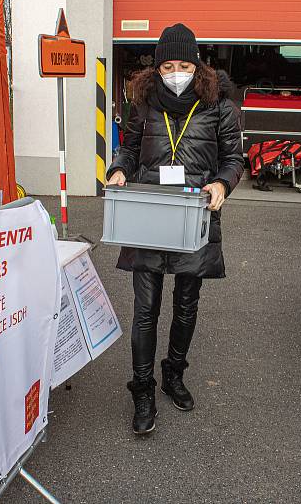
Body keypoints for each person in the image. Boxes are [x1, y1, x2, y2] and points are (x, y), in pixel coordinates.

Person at [106, 23, 244, 435]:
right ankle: (143, 389)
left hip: (194, 214)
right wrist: (118, 170)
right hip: (149, 213)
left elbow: (233, 159)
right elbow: (130, 148)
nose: (176, 71)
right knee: (145, 310)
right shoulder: (144, 101)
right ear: (157, 66)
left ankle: (174, 372)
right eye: (168, 64)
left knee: (186, 305)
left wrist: (222, 184)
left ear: (197, 65)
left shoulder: (218, 104)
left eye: (184, 64)